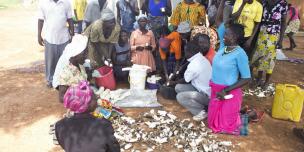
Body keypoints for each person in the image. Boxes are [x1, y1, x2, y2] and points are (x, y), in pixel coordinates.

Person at [50, 81, 120, 152]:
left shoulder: (59, 126)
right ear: (88, 104)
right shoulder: (104, 125)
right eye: (93, 97)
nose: (96, 98)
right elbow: (114, 149)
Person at [208, 23, 251, 135]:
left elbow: (246, 78)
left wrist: (226, 90)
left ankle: (249, 115)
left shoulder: (240, 54)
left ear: (234, 37)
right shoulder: (223, 47)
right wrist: (226, 8)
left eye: (227, 34)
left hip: (229, 93)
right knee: (212, 123)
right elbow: (220, 24)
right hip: (216, 91)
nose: (223, 36)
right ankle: (242, 112)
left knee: (225, 127)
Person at [172, 40, 212, 121]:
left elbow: (186, 80)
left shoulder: (194, 64)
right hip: (202, 89)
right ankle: (202, 106)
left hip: (207, 96)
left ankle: (201, 112)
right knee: (178, 87)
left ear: (190, 52)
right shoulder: (200, 58)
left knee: (180, 97)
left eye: (185, 51)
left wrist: (172, 82)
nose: (184, 53)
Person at [38, 0, 74, 88]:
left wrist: (72, 33)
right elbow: (40, 20)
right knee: (50, 61)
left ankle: (63, 80)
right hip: (50, 37)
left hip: (64, 38)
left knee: (64, 61)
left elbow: (70, 19)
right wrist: (39, 35)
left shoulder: (66, 2)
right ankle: (50, 80)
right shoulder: (43, 2)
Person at [251, 0, 287, 88]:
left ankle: (267, 81)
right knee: (260, 56)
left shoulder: (283, 4)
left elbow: (284, 22)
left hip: (273, 36)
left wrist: (280, 40)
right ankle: (259, 78)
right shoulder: (264, 2)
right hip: (262, 34)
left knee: (270, 58)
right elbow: (259, 21)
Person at [52, 34, 89, 103]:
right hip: (62, 84)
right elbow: (61, 98)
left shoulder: (78, 63)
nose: (87, 56)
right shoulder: (66, 71)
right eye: (84, 53)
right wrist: (79, 100)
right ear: (75, 55)